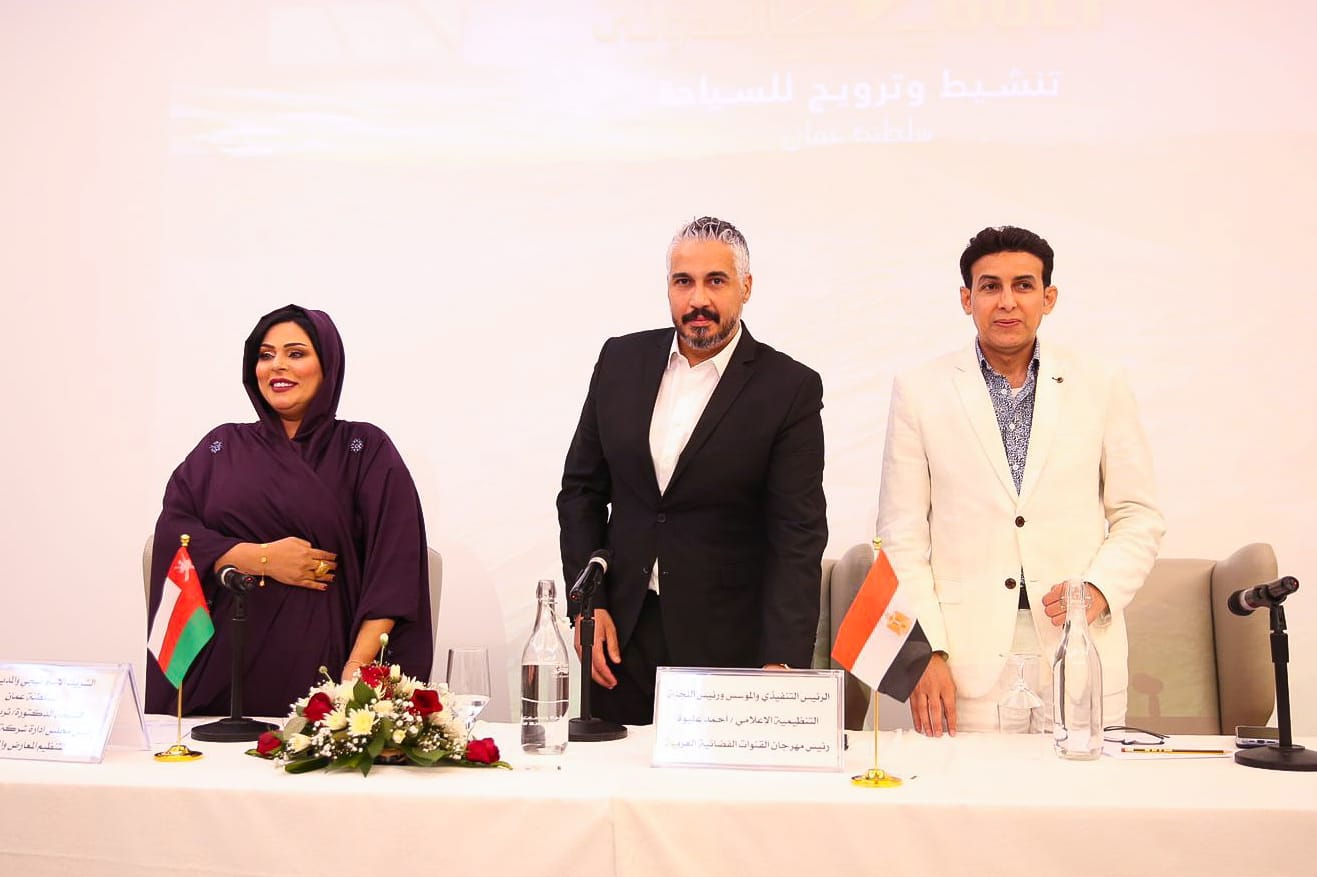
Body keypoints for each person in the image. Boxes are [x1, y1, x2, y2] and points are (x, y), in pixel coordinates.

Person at [877, 226, 1165, 735]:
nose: (1007, 302)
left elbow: (1138, 515)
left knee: (1084, 787)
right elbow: (901, 535)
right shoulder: (920, 390)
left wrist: (1100, 589)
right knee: (965, 788)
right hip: (963, 662)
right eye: (990, 286)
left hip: (1079, 651)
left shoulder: (1101, 383)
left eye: (1024, 285)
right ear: (966, 299)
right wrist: (926, 651)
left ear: (1048, 298)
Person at [557, 216, 828, 725]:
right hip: (621, 643)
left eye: (715, 281)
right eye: (684, 282)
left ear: (746, 287)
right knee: (612, 775)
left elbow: (798, 533)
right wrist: (588, 607)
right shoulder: (620, 360)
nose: (697, 299)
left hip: (730, 651)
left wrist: (782, 660)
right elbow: (581, 492)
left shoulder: (788, 388)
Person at [145, 305, 432, 717]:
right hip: (222, 682)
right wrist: (260, 558)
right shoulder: (221, 448)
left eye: (296, 353)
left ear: (328, 364)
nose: (277, 365)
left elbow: (395, 571)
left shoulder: (365, 450)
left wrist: (354, 678)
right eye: (266, 355)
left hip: (331, 682)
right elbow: (174, 532)